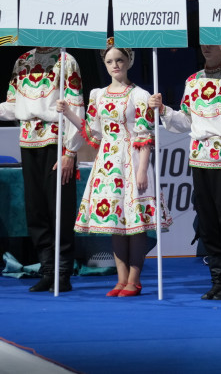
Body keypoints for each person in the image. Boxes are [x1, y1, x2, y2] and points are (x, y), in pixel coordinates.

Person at [57, 40, 172, 297]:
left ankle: (134, 279)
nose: (115, 65)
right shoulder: (98, 94)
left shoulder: (140, 95)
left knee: (136, 223)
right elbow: (93, 132)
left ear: (129, 61)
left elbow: (145, 136)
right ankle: (120, 279)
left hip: (133, 161)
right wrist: (68, 113)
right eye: (109, 61)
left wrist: (142, 170)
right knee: (115, 223)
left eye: (119, 60)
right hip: (108, 163)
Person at [148, 45, 221, 300]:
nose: (206, 47)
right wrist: (163, 110)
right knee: (207, 223)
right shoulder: (193, 80)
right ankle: (217, 278)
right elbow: (187, 120)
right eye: (203, 42)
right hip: (199, 159)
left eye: (212, 42)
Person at [0, 48, 84, 292]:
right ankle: (47, 270)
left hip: (57, 141)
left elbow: (76, 107)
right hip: (28, 141)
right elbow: (14, 103)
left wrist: (70, 151)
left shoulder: (65, 60)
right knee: (36, 209)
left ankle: (63, 272)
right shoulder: (22, 61)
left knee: (60, 209)